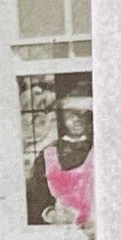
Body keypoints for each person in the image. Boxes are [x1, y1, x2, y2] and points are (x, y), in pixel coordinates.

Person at [26, 93, 94, 231]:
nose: (77, 119)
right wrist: (51, 214)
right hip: (62, 228)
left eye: (83, 114)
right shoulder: (48, 154)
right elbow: (37, 195)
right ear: (61, 118)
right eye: (71, 114)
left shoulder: (99, 151)